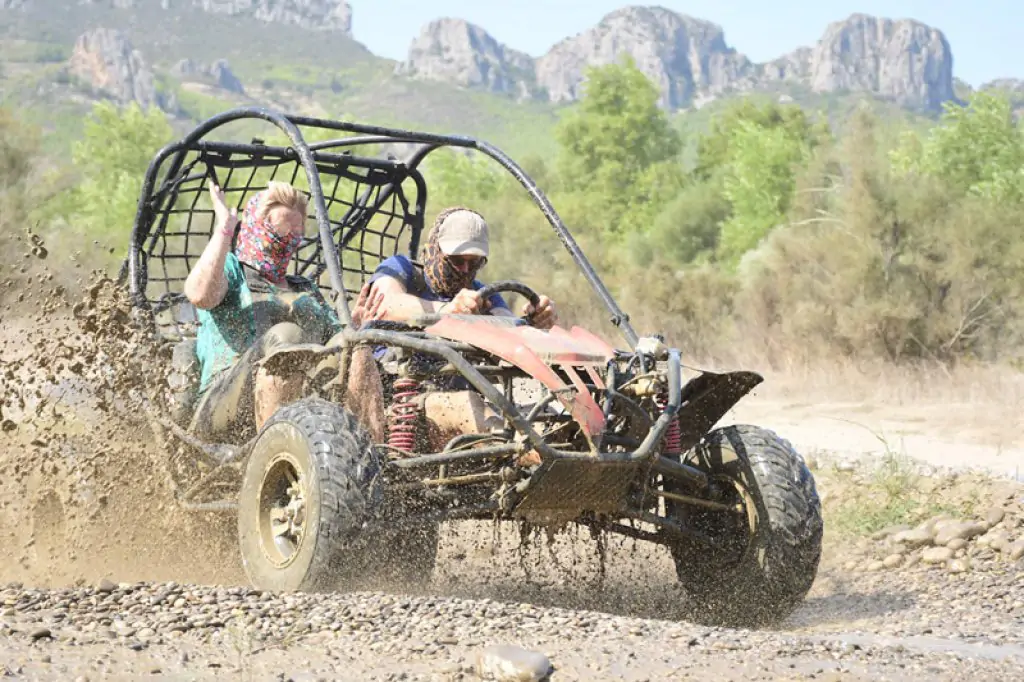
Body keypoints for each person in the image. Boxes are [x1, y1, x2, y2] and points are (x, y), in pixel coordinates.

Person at [183, 180, 386, 443]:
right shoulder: (234, 272)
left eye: (293, 239)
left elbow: (337, 351)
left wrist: (353, 327)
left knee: (355, 347)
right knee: (286, 335)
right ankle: (278, 452)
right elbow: (199, 294)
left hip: (307, 408)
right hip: (223, 406)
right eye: (277, 238)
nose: (284, 247)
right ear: (255, 228)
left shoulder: (304, 289)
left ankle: (369, 451)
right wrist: (224, 230)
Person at [368, 206, 557, 329]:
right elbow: (386, 305)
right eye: (457, 261)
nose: (466, 270)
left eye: (475, 262)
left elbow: (506, 323)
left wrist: (532, 321)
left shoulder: (482, 295)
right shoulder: (401, 269)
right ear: (433, 251)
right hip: (390, 380)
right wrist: (447, 310)